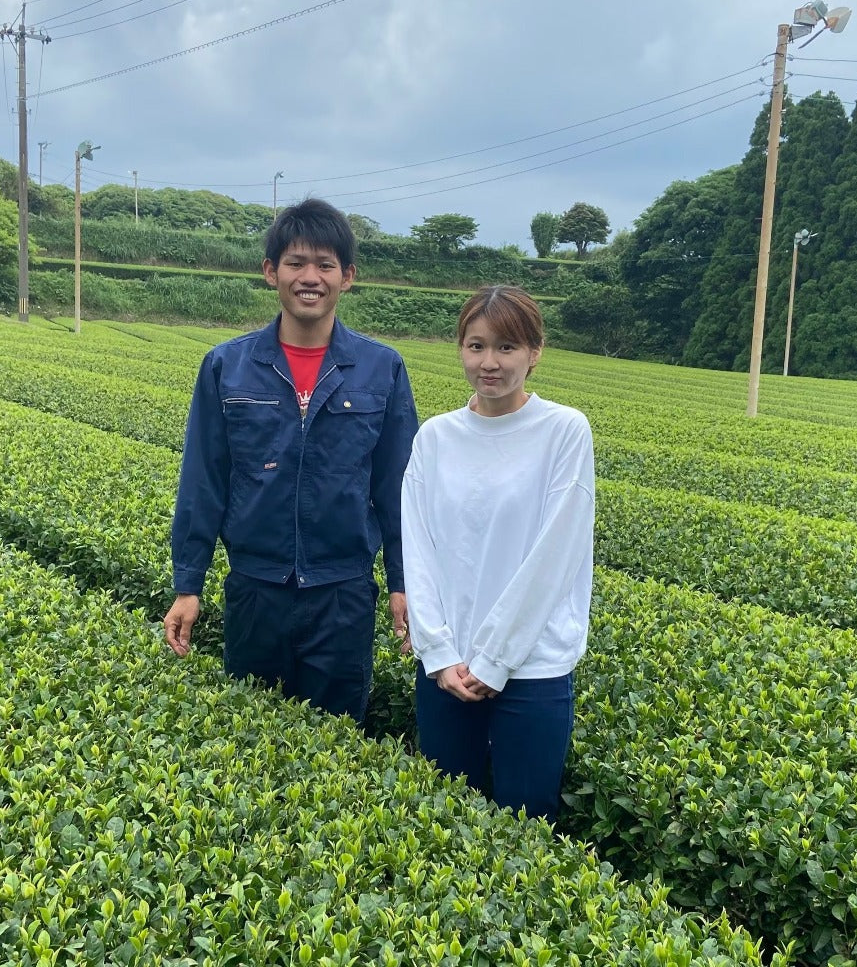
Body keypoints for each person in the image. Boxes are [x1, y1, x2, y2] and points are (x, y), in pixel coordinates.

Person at [164, 198, 418, 724]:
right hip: (256, 591)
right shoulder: (226, 367)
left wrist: (403, 582)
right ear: (270, 272)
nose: (310, 277)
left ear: (347, 277)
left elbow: (399, 489)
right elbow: (204, 481)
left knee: (338, 745)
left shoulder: (382, 368)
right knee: (251, 740)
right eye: (296, 263)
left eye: (325, 265)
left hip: (343, 594)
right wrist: (189, 585)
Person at [401, 285, 595, 822]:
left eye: (507, 347)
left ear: (535, 353)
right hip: (447, 671)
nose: (490, 362)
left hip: (531, 669)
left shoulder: (563, 431)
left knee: (526, 828)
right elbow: (418, 548)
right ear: (460, 349)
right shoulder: (435, 438)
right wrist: (439, 654)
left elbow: (555, 557)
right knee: (443, 827)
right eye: (476, 346)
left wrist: (495, 659)